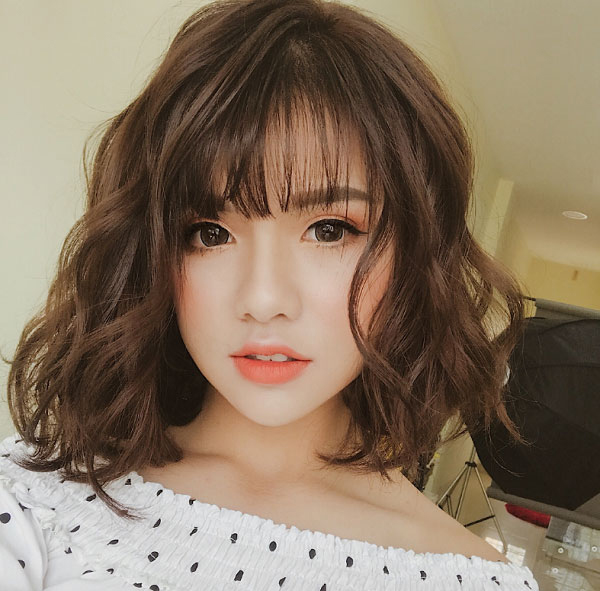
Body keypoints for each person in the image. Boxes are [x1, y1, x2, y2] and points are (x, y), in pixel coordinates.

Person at [0, 0, 540, 589]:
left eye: (329, 230)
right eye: (210, 234)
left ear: (414, 254)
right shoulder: (36, 503)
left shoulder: (476, 581)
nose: (262, 300)